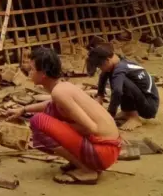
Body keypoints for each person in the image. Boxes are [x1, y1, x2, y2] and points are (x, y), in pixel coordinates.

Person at [8, 47, 121, 184]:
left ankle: (86, 170)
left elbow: (92, 128)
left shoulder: (59, 93)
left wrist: (60, 129)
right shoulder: (63, 87)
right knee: (51, 113)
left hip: (103, 152)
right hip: (108, 150)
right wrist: (23, 109)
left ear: (43, 73)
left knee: (39, 121)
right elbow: (52, 104)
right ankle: (79, 162)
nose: (29, 73)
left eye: (32, 69)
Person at [87, 42, 159, 131]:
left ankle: (134, 117)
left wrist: (110, 115)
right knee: (113, 75)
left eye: (100, 67)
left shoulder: (120, 69)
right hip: (143, 100)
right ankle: (127, 112)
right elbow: (103, 74)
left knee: (118, 81)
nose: (101, 69)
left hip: (149, 107)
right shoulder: (118, 62)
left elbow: (117, 91)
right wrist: (100, 96)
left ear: (107, 60)